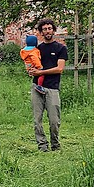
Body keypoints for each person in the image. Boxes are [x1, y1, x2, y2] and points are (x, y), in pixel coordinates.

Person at [29, 19, 67, 152]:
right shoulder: (37, 49)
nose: (47, 31)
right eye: (44, 29)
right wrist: (31, 71)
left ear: (54, 30)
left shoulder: (61, 48)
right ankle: (42, 146)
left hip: (52, 87)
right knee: (37, 119)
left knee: (54, 121)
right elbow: (32, 65)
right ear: (41, 32)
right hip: (37, 87)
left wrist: (41, 72)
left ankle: (55, 145)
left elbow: (59, 68)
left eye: (49, 28)